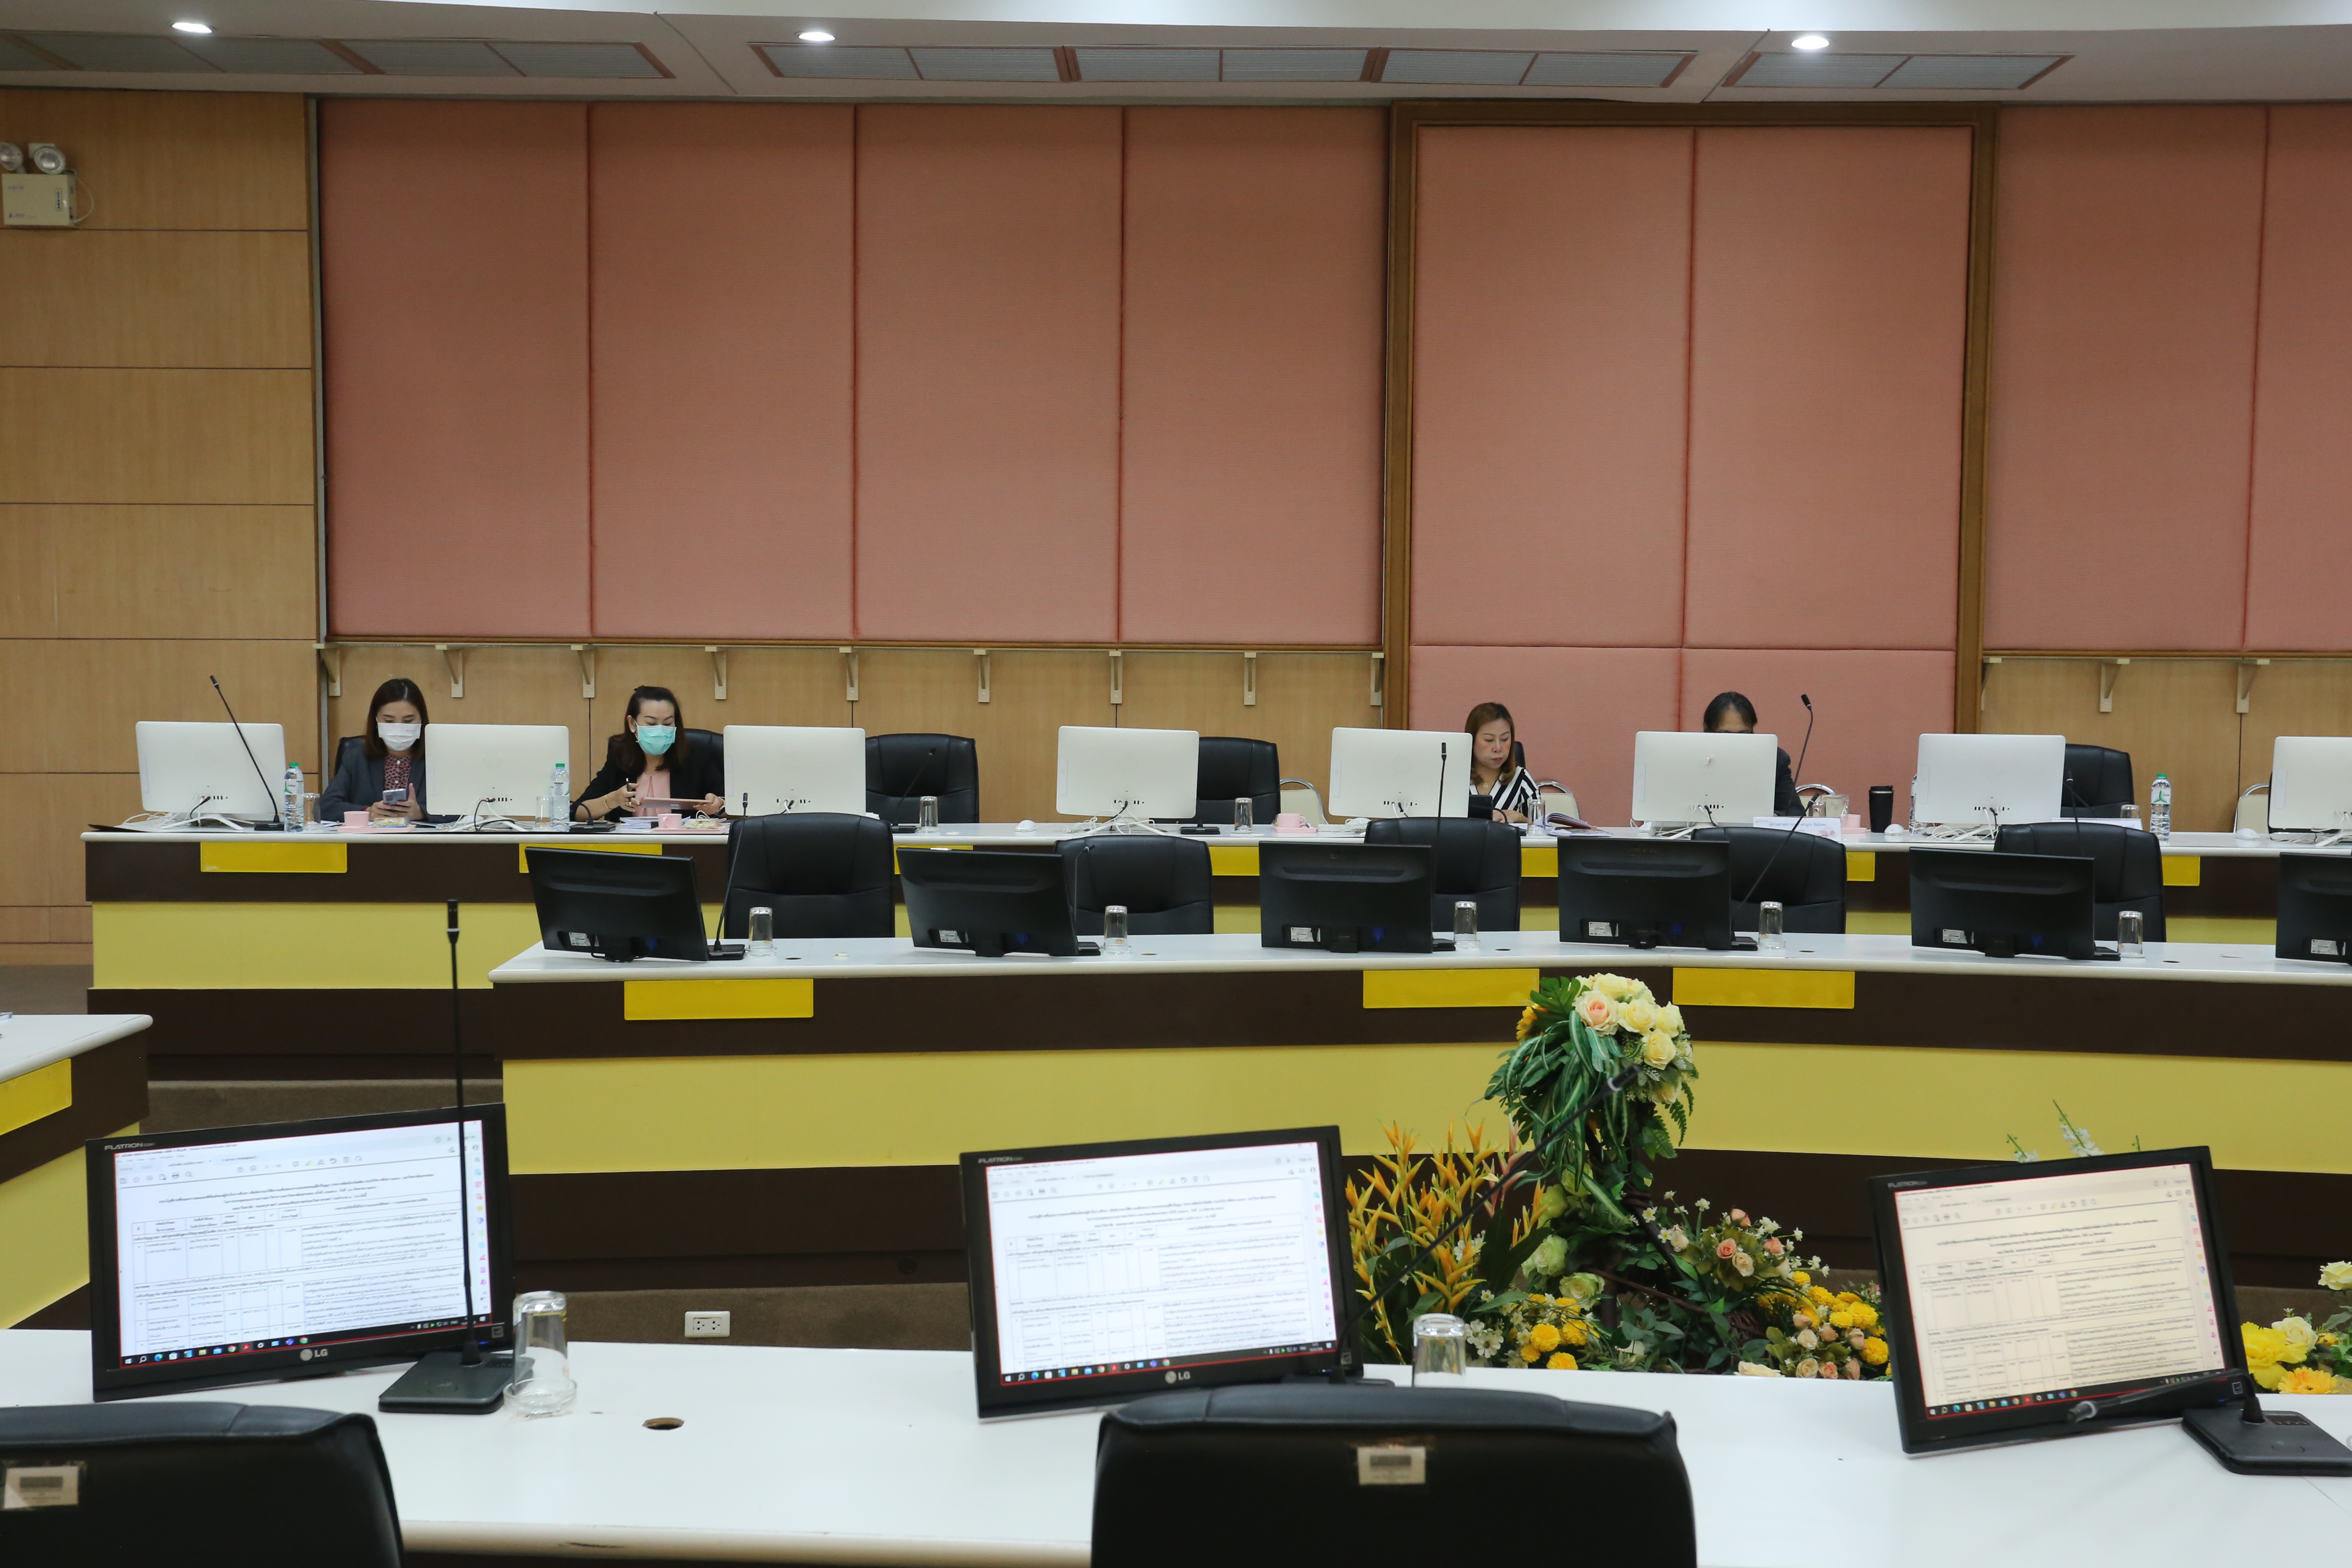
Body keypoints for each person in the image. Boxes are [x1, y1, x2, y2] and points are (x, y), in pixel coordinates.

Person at [576, 686, 725, 821]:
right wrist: (612, 800)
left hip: (681, 842)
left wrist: (719, 805)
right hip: (629, 842)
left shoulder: (696, 757)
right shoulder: (619, 757)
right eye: (651, 724)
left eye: (668, 724)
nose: (660, 730)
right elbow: (578, 812)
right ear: (632, 723)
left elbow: (733, 809)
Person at [320, 678, 440, 823]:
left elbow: (462, 808)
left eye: (408, 721)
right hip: (370, 837)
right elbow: (326, 807)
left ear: (421, 720)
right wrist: (368, 813)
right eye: (389, 721)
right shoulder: (356, 755)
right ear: (376, 721)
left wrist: (421, 813)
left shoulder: (439, 755)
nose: (398, 728)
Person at [1702, 691, 1803, 818]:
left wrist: (1774, 817)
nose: (1735, 742)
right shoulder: (1686, 757)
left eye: (1743, 734)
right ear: (1708, 730)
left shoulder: (1774, 759)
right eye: (1726, 735)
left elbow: (1795, 811)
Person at [1464, 701, 1539, 824]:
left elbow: (1541, 827)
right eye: (1489, 740)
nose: (1498, 748)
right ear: (1471, 740)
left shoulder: (1521, 779)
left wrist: (1518, 817)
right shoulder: (1453, 777)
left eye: (1505, 739)